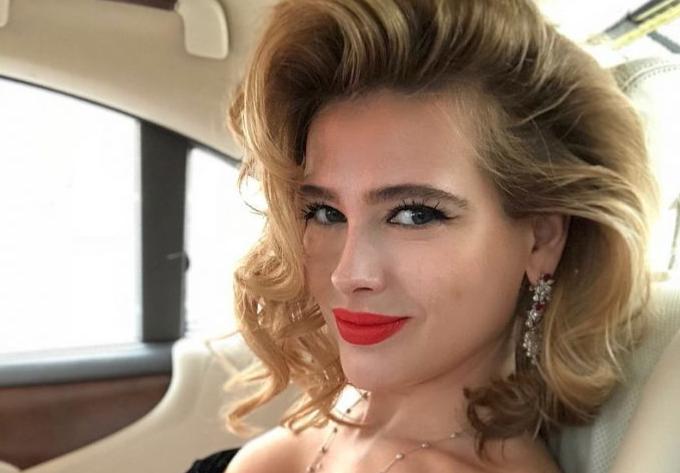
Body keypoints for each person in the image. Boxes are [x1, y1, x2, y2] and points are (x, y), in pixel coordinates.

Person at [186, 0, 658, 471]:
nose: (348, 274)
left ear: (541, 239)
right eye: (326, 212)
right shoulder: (335, 419)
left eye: (413, 215)